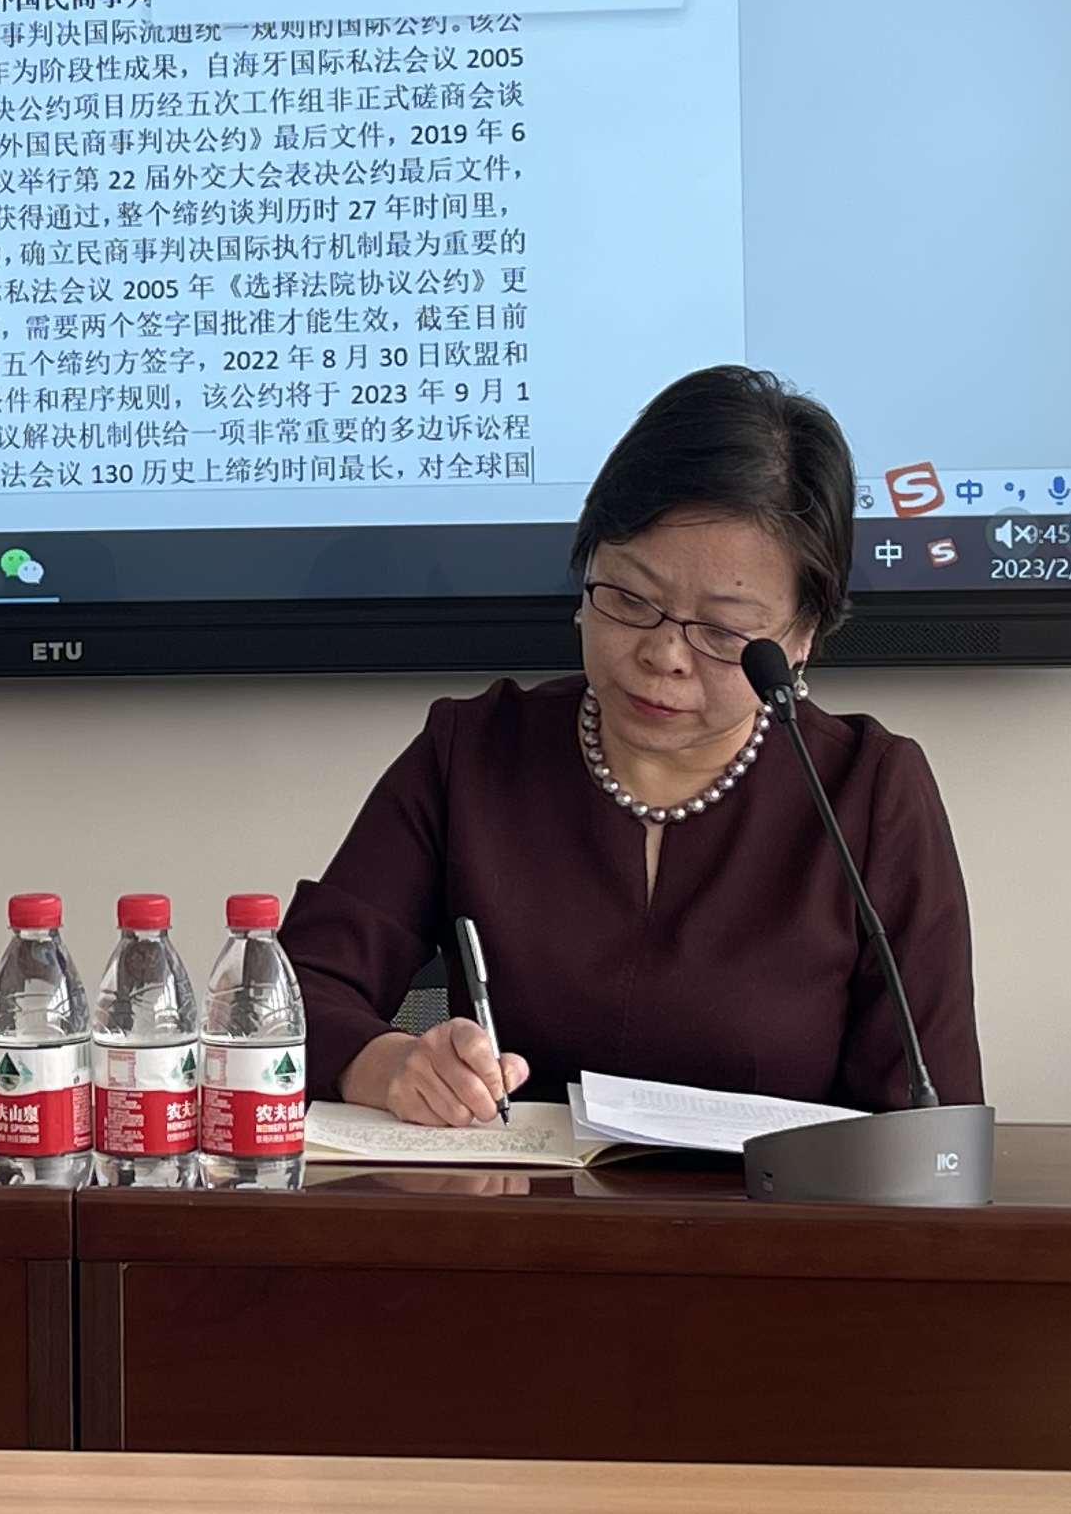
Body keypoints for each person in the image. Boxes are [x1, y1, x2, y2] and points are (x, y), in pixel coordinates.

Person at [288, 366, 980, 1124]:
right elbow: (289, 994)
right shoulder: (474, 753)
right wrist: (387, 1062)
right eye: (629, 599)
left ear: (802, 638)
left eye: (723, 630)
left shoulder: (869, 794)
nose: (664, 655)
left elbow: (927, 1119)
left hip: (774, 1203)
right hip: (515, 1195)